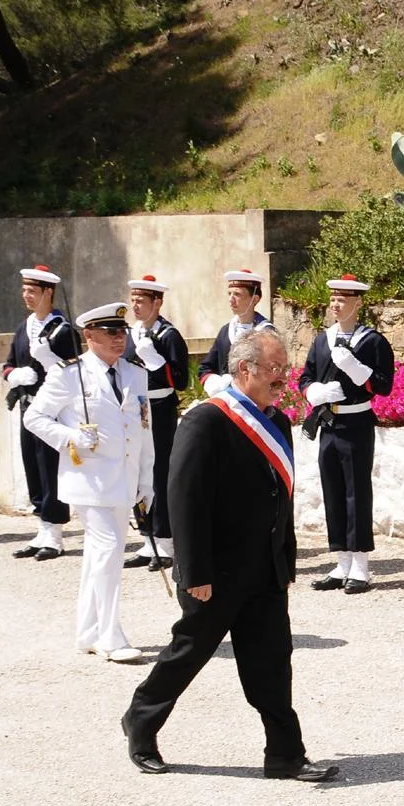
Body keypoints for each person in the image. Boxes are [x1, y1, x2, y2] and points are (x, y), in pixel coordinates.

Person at [122, 328, 337, 782]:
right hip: (216, 571)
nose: (283, 379)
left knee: (272, 662)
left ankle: (285, 755)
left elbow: (281, 496)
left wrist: (286, 556)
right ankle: (141, 721)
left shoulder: (276, 422)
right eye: (274, 369)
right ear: (245, 369)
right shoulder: (207, 421)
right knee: (188, 653)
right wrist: (194, 571)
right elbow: (185, 501)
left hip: (265, 569)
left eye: (285, 369)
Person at [23, 302, 154, 663]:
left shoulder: (135, 374)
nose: (119, 338)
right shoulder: (69, 374)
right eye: (110, 332)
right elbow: (35, 417)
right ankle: (110, 636)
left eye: (122, 331)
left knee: (100, 554)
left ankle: (88, 632)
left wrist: (147, 478)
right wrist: (70, 437)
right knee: (109, 549)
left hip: (124, 478)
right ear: (89, 335)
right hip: (89, 479)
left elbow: (144, 429)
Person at [300, 274, 395, 594]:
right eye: (333, 299)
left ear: (358, 303)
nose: (335, 305)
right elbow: (305, 377)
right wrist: (314, 392)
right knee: (333, 491)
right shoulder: (322, 340)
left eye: (342, 300)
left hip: (356, 424)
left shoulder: (372, 341)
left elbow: (384, 385)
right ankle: (342, 561)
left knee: (357, 492)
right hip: (328, 423)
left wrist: (356, 368)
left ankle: (361, 566)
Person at [3, 265, 79, 561]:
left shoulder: (63, 330)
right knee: (32, 467)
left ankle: (55, 534)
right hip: (28, 407)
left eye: (32, 291)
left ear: (48, 292)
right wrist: (14, 375)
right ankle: (42, 528)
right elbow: (9, 363)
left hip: (53, 411)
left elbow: (75, 372)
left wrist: (50, 365)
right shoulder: (24, 328)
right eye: (24, 290)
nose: (26, 295)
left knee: (50, 470)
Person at [122, 275, 190, 571]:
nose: (135, 306)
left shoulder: (168, 335)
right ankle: (146, 536)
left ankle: (164, 540)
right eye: (133, 300)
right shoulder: (131, 334)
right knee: (138, 471)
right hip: (136, 408)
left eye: (141, 300)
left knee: (159, 471)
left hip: (160, 407)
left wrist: (156, 361)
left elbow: (181, 380)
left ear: (157, 302)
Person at [198, 269, 275, 396]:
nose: (231, 299)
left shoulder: (266, 333)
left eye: (237, 294)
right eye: (229, 294)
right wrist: (213, 382)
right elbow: (206, 368)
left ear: (255, 299)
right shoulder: (226, 331)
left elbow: (272, 371)